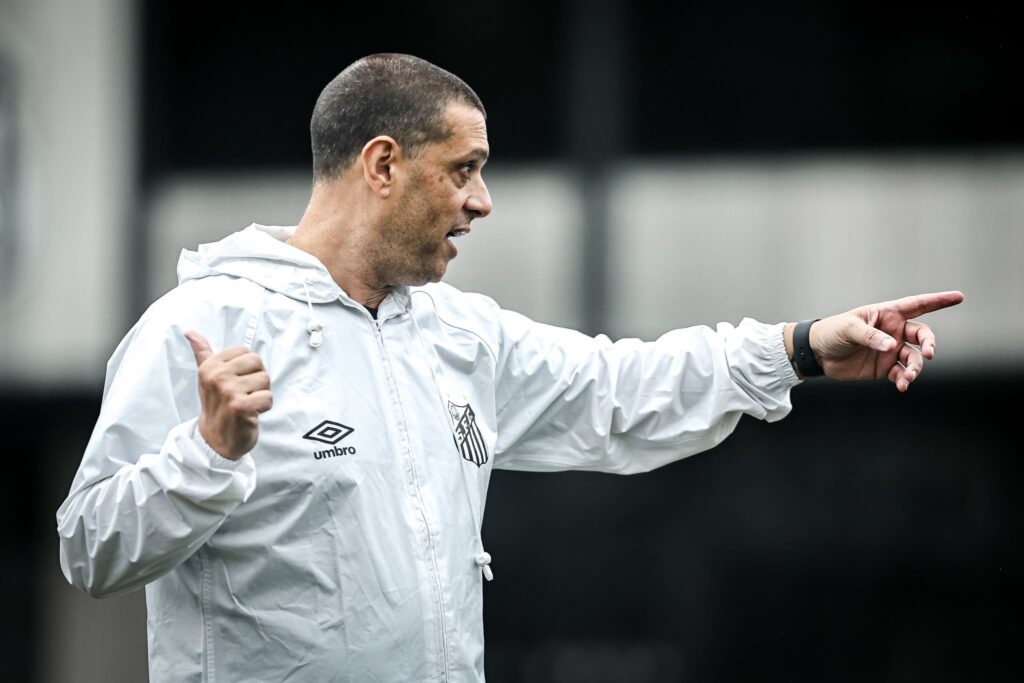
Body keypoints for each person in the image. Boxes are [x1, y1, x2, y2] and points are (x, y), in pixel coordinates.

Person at [56, 53, 963, 682]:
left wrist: (800, 346)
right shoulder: (199, 325)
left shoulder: (461, 335)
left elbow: (620, 389)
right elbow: (89, 548)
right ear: (382, 165)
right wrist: (208, 454)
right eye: (465, 169)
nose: (482, 201)